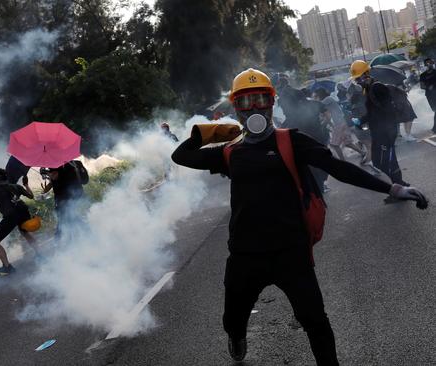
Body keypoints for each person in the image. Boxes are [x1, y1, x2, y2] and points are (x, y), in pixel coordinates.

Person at [171, 68, 428, 365]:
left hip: (290, 253)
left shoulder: (291, 141)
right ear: (236, 109)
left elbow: (339, 168)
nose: (254, 108)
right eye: (245, 102)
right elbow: (182, 156)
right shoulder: (231, 152)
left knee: (316, 322)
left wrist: (393, 187)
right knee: (232, 321)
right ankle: (237, 336)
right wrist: (210, 133)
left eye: (260, 100)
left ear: (271, 103)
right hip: (245, 256)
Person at [350, 60, 410, 187]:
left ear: (366, 74)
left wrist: (375, 123)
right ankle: (399, 184)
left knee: (387, 160)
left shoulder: (377, 87)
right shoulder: (368, 89)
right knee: (379, 161)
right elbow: (373, 111)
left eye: (358, 78)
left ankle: (399, 185)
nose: (357, 81)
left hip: (386, 130)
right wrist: (361, 120)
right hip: (379, 130)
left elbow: (387, 110)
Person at [0, 168, 40, 274]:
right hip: (23, 210)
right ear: (6, 178)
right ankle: (40, 254)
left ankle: (7, 266)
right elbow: (31, 196)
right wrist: (26, 185)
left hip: (11, 216)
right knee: (25, 233)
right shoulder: (16, 186)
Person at [279, 86, 331, 192]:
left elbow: (285, 126)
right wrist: (323, 124)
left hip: (302, 143)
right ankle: (320, 185)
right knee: (321, 163)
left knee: (310, 166)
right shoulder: (314, 104)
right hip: (318, 139)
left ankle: (318, 187)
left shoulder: (292, 113)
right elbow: (328, 114)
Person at [312, 87, 366, 162]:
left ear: (319, 95)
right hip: (340, 122)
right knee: (347, 142)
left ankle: (342, 161)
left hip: (338, 124)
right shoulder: (328, 99)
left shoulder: (328, 99)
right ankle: (362, 152)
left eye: (315, 96)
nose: (315, 98)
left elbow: (318, 105)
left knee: (334, 145)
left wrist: (312, 101)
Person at [41, 161, 86, 239]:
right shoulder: (70, 163)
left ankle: (60, 239)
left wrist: (45, 172)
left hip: (66, 198)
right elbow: (53, 180)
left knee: (66, 217)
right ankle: (74, 236)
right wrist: (45, 190)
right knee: (69, 217)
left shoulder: (59, 165)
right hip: (72, 196)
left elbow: (54, 176)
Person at [420, 58, 436, 134]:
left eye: (431, 63)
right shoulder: (423, 75)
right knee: (434, 110)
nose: (429, 64)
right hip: (430, 95)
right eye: (428, 63)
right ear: (425, 65)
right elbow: (421, 86)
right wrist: (428, 87)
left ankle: (434, 128)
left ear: (433, 63)